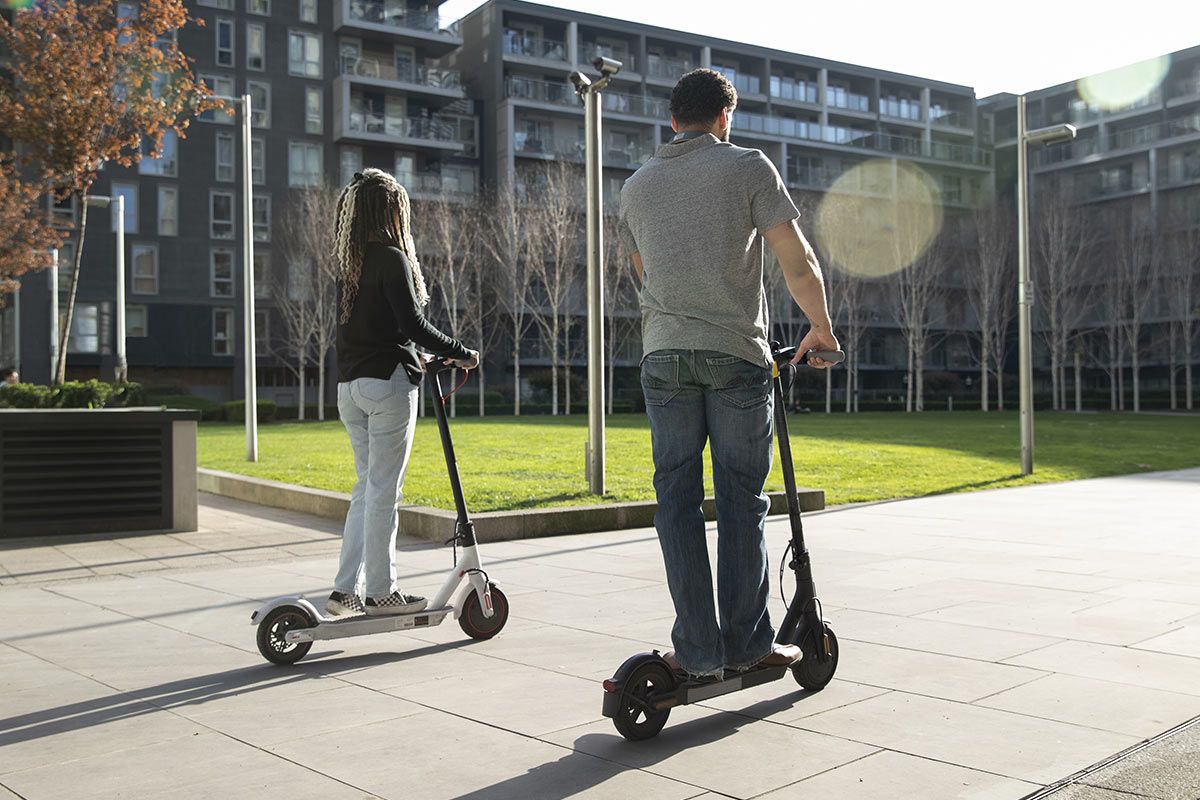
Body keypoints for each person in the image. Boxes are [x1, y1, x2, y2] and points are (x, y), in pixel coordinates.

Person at [618, 69, 840, 680]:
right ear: (725, 118)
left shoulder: (635, 186)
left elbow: (643, 272)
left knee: (677, 502)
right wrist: (820, 327)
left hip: (663, 358)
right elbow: (797, 260)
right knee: (741, 499)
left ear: (672, 120)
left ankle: (696, 647)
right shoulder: (748, 166)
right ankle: (745, 642)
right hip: (736, 356)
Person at [328, 168, 479, 617]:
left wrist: (420, 354)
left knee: (365, 489)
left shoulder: (350, 266)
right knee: (384, 491)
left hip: (350, 389)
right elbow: (413, 325)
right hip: (387, 387)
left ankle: (343, 591)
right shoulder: (391, 258)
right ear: (389, 209)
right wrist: (461, 351)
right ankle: (379, 591)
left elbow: (381, 329)